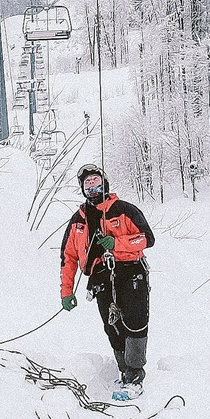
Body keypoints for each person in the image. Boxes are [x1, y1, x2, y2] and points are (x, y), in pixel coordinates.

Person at [59, 162, 155, 397]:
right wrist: (66, 291)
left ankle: (134, 374)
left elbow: (147, 238)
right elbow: (68, 258)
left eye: (95, 181)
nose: (92, 187)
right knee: (112, 326)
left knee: (135, 321)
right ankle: (123, 370)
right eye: (87, 184)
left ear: (104, 183)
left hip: (130, 271)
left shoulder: (124, 209)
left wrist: (117, 244)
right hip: (101, 277)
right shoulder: (77, 221)